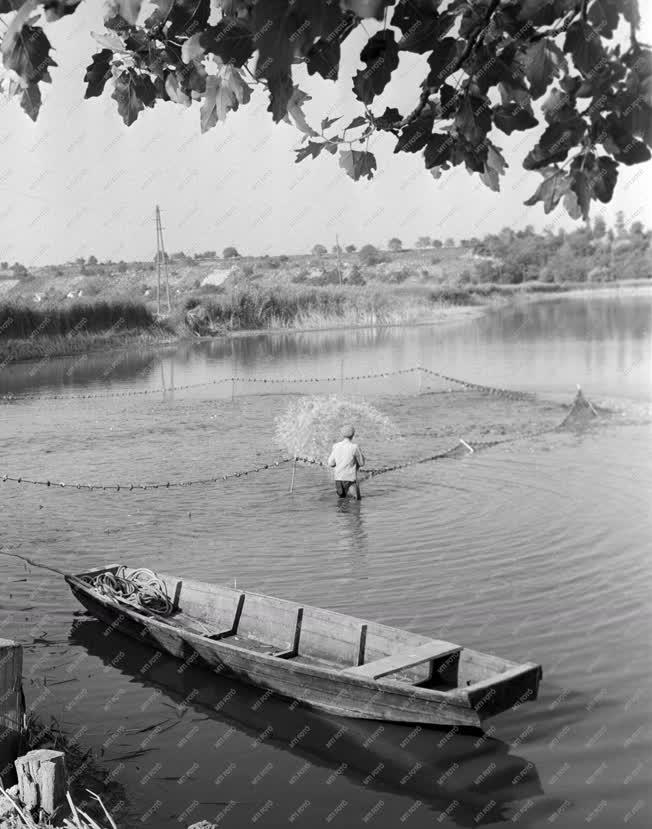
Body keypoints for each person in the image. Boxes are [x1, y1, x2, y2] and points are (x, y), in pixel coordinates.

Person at [327, 424, 365, 500]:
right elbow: (361, 463)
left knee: (342, 501)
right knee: (355, 502)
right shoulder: (354, 447)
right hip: (350, 479)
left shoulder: (336, 446)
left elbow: (331, 463)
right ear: (353, 435)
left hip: (338, 479)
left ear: (342, 434)